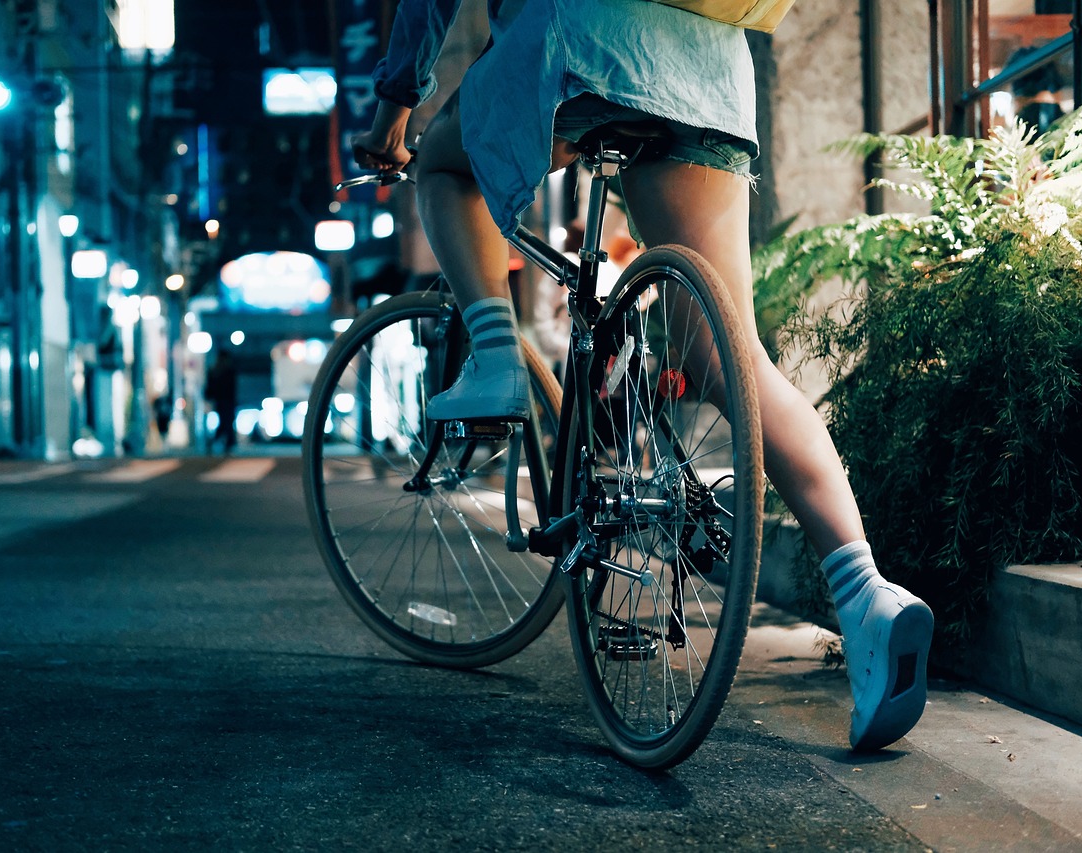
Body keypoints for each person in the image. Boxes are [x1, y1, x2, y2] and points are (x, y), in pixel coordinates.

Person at [353, 0, 933, 752]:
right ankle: (866, 595)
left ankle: (495, 355)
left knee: (441, 161)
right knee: (732, 359)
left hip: (586, 46)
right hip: (712, 66)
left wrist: (393, 110)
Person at [204, 348, 238, 454]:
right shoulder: (228, 371)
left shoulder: (215, 371)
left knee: (225, 422)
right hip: (227, 401)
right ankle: (228, 443)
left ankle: (225, 442)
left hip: (221, 401)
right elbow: (232, 388)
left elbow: (210, 388)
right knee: (226, 422)